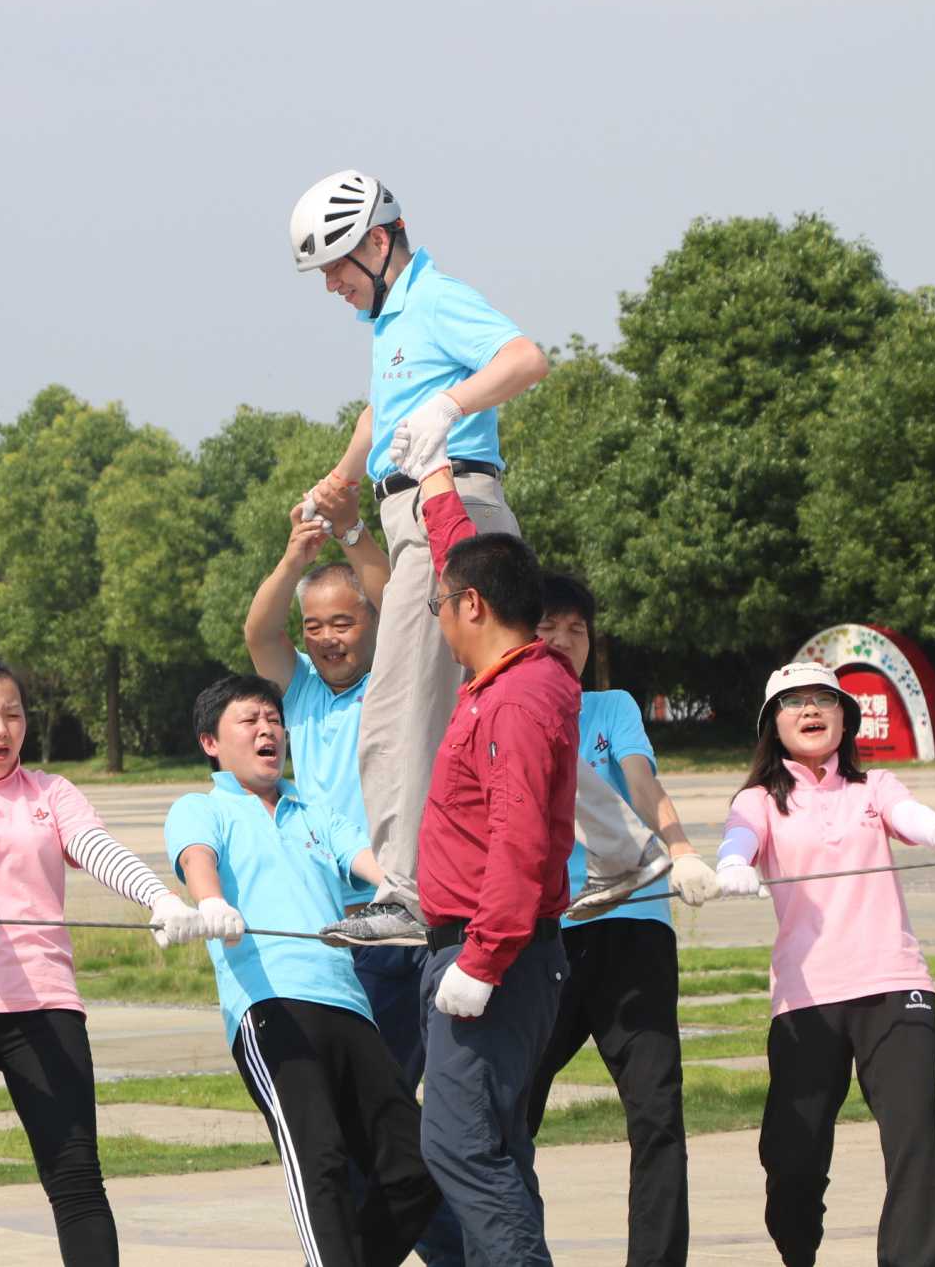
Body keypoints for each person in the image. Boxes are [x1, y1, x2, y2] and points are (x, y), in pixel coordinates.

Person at [286, 169, 665, 945]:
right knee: (505, 709)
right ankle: (624, 848)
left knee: (394, 710)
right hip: (420, 512)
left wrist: (450, 405)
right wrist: (339, 480)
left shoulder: (433, 298)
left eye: (334, 265)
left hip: (447, 507)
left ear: (378, 242)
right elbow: (380, 414)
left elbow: (525, 358)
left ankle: (405, 890)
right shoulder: (392, 322)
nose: (329, 285)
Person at [0, 656, 210, 1265]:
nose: (2, 729)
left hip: (44, 1002)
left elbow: (97, 848)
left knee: (78, 1183)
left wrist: (161, 898)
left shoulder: (50, 791)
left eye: (14, 715)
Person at [242, 489, 465, 1263]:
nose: (328, 637)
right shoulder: (301, 689)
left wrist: (352, 532)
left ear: (373, 622)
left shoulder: (401, 685)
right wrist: (294, 558)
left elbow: (402, 594)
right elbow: (258, 631)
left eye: (343, 621)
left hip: (400, 920)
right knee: (374, 1122)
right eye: (315, 626)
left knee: (386, 1120)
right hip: (331, 936)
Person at [715, 661, 935, 1267]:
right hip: (806, 998)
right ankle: (798, 1253)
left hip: (895, 983)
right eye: (794, 702)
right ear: (772, 724)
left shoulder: (875, 787)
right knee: (792, 1158)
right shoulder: (758, 800)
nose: (811, 710)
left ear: (845, 718)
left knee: (914, 1144)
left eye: (824, 699)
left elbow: (912, 816)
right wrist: (733, 862)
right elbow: (739, 834)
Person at [164, 674, 442, 1266]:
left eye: (274, 719)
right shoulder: (201, 807)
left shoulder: (314, 811)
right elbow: (197, 857)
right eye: (249, 720)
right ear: (210, 742)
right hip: (271, 1008)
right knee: (321, 1159)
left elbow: (372, 862)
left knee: (413, 1169)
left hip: (350, 1006)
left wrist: (417, 891)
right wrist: (211, 903)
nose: (267, 730)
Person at [389, 421, 581, 1264]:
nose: (435, 614)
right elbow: (461, 558)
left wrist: (483, 958)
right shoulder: (504, 676)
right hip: (483, 949)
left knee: (461, 1147)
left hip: (491, 954)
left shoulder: (517, 700)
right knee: (492, 1147)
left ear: (473, 608)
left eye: (440, 603)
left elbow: (519, 840)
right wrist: (435, 477)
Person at [525, 574, 719, 1267]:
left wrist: (682, 849)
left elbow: (641, 780)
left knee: (656, 1109)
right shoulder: (505, 708)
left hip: (634, 926)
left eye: (577, 630)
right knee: (508, 1104)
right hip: (549, 932)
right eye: (548, 626)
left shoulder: (611, 707)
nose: (563, 640)